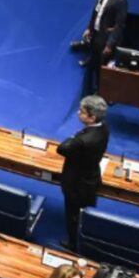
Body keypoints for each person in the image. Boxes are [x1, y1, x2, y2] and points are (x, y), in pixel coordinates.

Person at [57, 95, 110, 251]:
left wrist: (73, 137)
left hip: (76, 182)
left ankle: (72, 244)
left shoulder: (82, 140)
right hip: (91, 177)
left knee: (72, 214)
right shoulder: (104, 128)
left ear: (92, 118)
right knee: (82, 212)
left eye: (81, 111)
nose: (78, 113)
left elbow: (62, 148)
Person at [70, 0, 127, 93]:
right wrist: (89, 28)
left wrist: (110, 45)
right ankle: (90, 61)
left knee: (101, 67)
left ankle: (100, 90)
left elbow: (119, 25)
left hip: (106, 36)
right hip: (96, 30)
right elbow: (96, 10)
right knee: (94, 57)